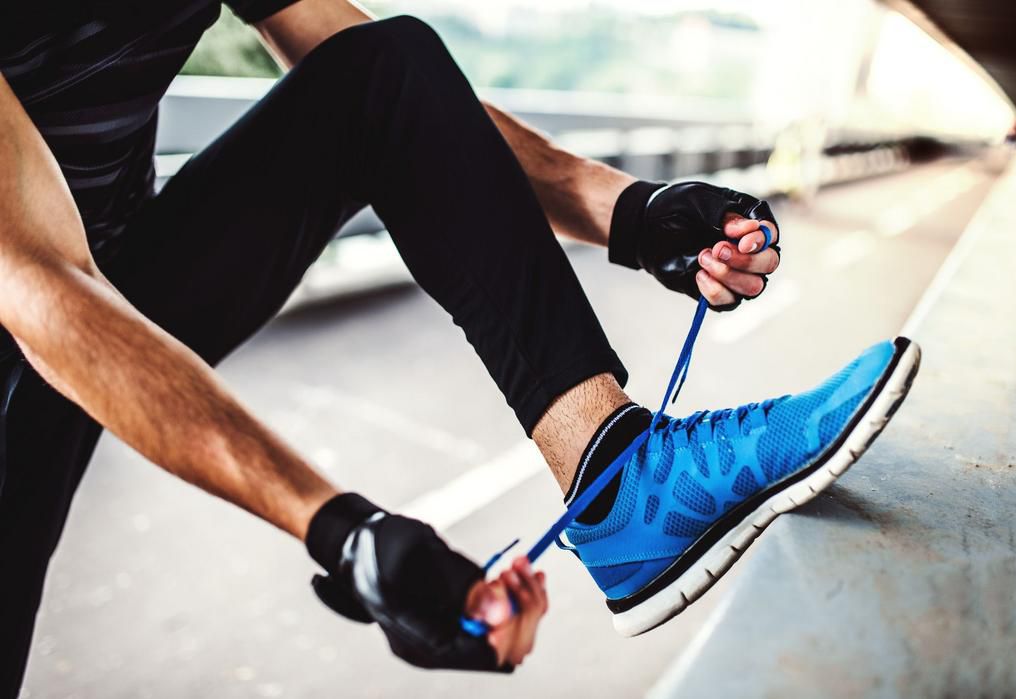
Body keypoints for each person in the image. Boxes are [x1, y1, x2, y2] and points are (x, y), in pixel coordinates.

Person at [0, 0, 920, 693]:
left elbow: (396, 98)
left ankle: (621, 479)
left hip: (113, 268)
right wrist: (342, 529)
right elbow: (40, 282)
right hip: (31, 309)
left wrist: (630, 214)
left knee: (388, 66)